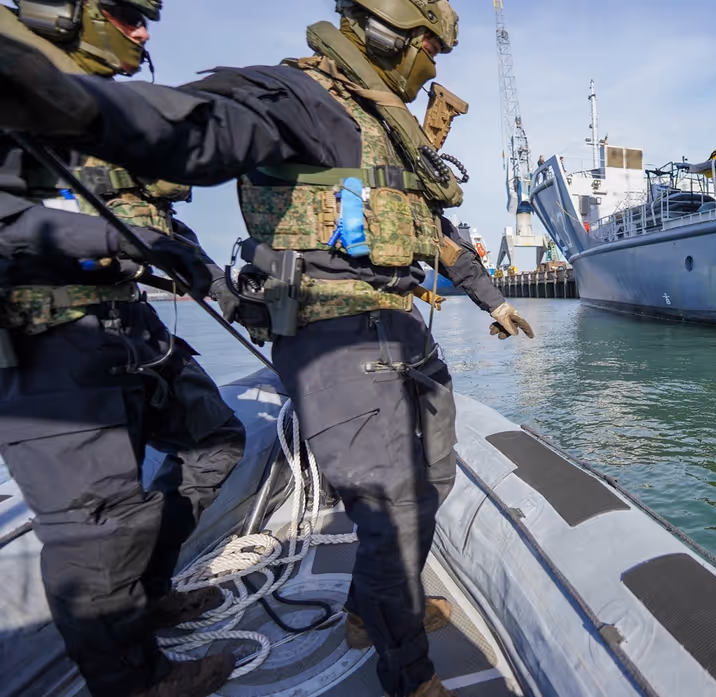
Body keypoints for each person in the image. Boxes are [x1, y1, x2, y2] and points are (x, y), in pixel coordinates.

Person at [0, 1, 531, 694]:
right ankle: (406, 673)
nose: (141, 32)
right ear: (388, 36)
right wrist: (85, 107)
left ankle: (372, 610)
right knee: (388, 506)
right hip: (331, 338)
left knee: (425, 484)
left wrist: (494, 299)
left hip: (395, 327)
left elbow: (434, 229)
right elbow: (209, 129)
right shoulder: (295, 97)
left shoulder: (386, 130)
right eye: (430, 46)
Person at [0, 2, 248, 695]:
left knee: (216, 439)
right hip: (44, 339)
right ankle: (136, 682)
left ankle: (151, 590)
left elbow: (150, 220)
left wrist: (215, 283)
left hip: (128, 327)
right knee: (94, 529)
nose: (142, 33)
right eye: (125, 13)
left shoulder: (96, 109)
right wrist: (115, 243)